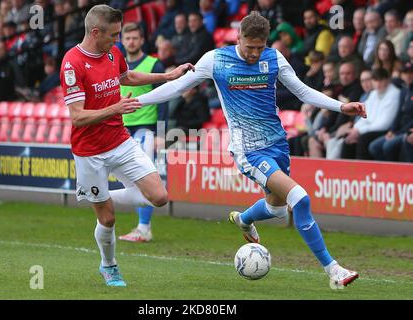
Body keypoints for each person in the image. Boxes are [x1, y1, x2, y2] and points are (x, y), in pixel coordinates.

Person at [136, 12, 365, 289]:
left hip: (277, 144)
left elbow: (302, 92)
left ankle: (244, 220)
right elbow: (175, 88)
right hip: (248, 150)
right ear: (238, 38)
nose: (255, 53)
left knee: (277, 210)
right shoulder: (216, 60)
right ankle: (333, 271)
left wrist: (341, 106)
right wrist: (137, 101)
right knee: (301, 199)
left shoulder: (274, 58)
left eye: (260, 47)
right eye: (249, 47)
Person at [59, 5, 193, 287]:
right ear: (95, 32)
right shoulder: (72, 63)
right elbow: (78, 117)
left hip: (119, 140)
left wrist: (167, 76)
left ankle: (100, 198)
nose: (118, 41)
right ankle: (109, 265)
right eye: (114, 35)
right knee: (107, 220)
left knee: (159, 196)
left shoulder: (112, 52)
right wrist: (115, 108)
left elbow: (127, 76)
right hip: (89, 151)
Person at [118, 22, 169, 243]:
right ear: (122, 40)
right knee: (130, 179)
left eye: (135, 38)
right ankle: (140, 227)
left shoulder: (153, 64)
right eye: (127, 38)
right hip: (121, 128)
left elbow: (164, 97)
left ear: (141, 40)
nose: (131, 41)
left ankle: (144, 227)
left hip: (146, 129)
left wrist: (160, 132)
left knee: (144, 177)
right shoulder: (116, 65)